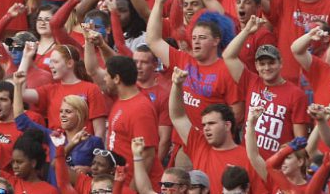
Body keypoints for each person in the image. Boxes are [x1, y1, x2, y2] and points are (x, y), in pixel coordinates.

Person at [169, 66, 267, 193]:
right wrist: (177, 85)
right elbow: (178, 117)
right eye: (204, 125)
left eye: (211, 123)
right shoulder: (199, 145)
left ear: (227, 125)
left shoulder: (249, 157)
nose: (206, 129)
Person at [224, 15, 309, 158]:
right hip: (248, 161)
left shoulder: (296, 94)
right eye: (262, 64)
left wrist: (286, 154)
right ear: (256, 66)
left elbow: (300, 142)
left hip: (277, 165)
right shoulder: (251, 81)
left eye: (271, 63)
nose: (267, 68)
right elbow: (228, 56)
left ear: (280, 63)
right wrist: (247, 32)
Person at [100, 55, 164, 190]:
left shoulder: (140, 108)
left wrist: (131, 190)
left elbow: (147, 155)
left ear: (116, 78)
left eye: (107, 75)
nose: (104, 79)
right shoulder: (121, 100)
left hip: (139, 187)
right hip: (122, 183)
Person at [0, 108, 58, 193]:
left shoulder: (49, 190)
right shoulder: (9, 183)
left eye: (19, 162)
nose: (15, 166)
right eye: (13, 162)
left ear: (33, 163)